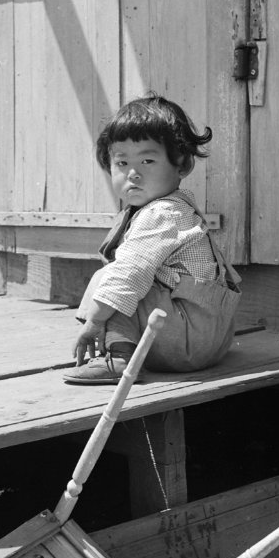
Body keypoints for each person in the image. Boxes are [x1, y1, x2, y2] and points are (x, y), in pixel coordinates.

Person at [65, 93, 241, 385]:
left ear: (182, 164)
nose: (133, 173)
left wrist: (96, 322)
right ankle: (119, 346)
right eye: (121, 163)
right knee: (121, 279)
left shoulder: (162, 213)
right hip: (208, 340)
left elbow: (129, 273)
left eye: (147, 160)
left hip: (185, 341)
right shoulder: (174, 205)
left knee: (114, 277)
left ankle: (120, 357)